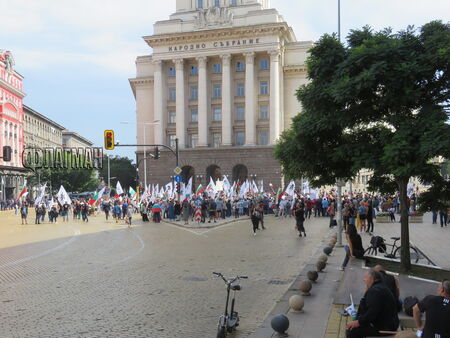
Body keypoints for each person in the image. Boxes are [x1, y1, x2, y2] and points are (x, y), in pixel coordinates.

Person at [346, 269, 399, 338]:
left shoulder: (375, 291)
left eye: (365, 277)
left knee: (352, 330)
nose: (363, 280)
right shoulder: (380, 287)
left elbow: (372, 311)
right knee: (355, 326)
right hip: (387, 324)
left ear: (372, 278)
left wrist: (359, 322)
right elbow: (368, 308)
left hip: (385, 328)